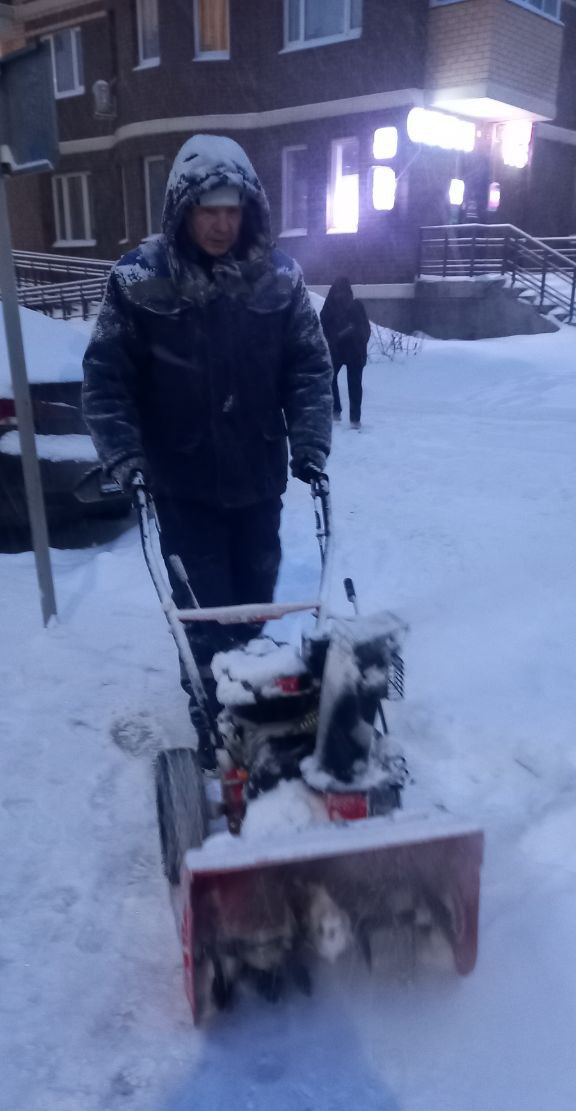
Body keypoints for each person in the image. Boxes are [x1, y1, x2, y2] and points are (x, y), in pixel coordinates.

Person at [83, 134, 333, 766]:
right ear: (182, 210)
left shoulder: (279, 279)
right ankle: (216, 727)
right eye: (208, 211)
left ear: (249, 210)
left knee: (253, 607)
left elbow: (308, 366)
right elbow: (106, 379)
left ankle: (254, 708)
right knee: (204, 616)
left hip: (258, 479)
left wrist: (310, 443)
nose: (222, 225)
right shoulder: (139, 281)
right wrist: (126, 458)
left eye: (232, 210)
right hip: (180, 485)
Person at [320, 277, 371, 428]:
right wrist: (336, 337)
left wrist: (354, 338)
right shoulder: (332, 308)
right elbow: (325, 325)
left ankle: (348, 416)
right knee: (334, 378)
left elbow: (364, 329)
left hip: (352, 350)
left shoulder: (353, 307)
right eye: (338, 292)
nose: (340, 296)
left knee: (349, 382)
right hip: (343, 350)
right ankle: (345, 415)